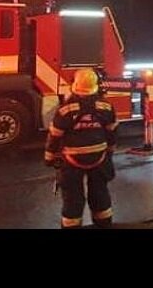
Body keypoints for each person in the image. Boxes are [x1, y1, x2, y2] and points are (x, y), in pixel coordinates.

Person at [44, 68, 119, 228]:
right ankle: (104, 225)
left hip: (72, 162)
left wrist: (49, 157)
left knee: (73, 198)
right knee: (100, 194)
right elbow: (112, 133)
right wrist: (109, 152)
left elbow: (55, 136)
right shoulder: (106, 107)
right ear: (96, 86)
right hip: (99, 158)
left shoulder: (66, 109)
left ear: (75, 85)